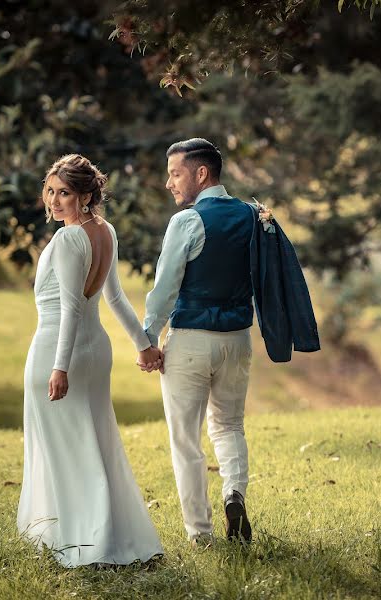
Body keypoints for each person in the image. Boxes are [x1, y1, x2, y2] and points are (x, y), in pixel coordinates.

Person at [17, 154, 164, 567]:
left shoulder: (68, 239)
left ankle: (83, 539)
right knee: (94, 444)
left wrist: (59, 368)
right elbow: (114, 298)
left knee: (67, 449)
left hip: (58, 349)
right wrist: (143, 345)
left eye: (64, 193)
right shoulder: (105, 231)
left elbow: (70, 309)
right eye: (50, 191)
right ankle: (106, 532)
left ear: (85, 196)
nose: (54, 200)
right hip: (97, 351)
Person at [142, 138, 255, 546]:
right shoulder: (252, 216)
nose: (169, 183)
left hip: (190, 340)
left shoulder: (187, 222)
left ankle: (200, 534)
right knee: (229, 425)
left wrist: (147, 339)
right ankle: (234, 494)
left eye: (175, 173)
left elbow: (165, 288)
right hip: (238, 341)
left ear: (200, 173)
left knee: (185, 439)